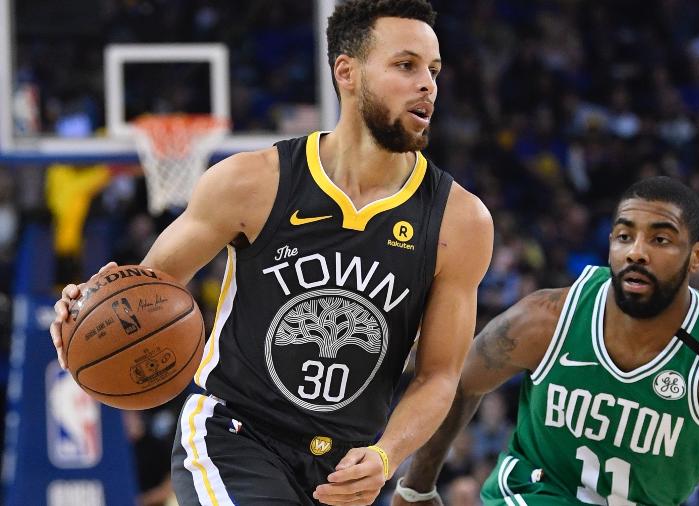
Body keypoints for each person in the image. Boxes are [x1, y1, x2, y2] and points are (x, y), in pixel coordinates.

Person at [48, 1, 494, 505]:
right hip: (234, 435)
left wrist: (386, 455)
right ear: (346, 72)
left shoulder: (461, 221)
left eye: (433, 70)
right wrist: (84, 310)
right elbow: (146, 291)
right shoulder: (253, 182)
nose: (427, 85)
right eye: (405, 65)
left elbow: (439, 375)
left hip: (344, 464)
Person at [392, 177, 699, 505]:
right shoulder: (548, 319)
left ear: (696, 256)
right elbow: (459, 385)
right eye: (624, 235)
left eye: (660, 239)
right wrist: (416, 487)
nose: (637, 252)